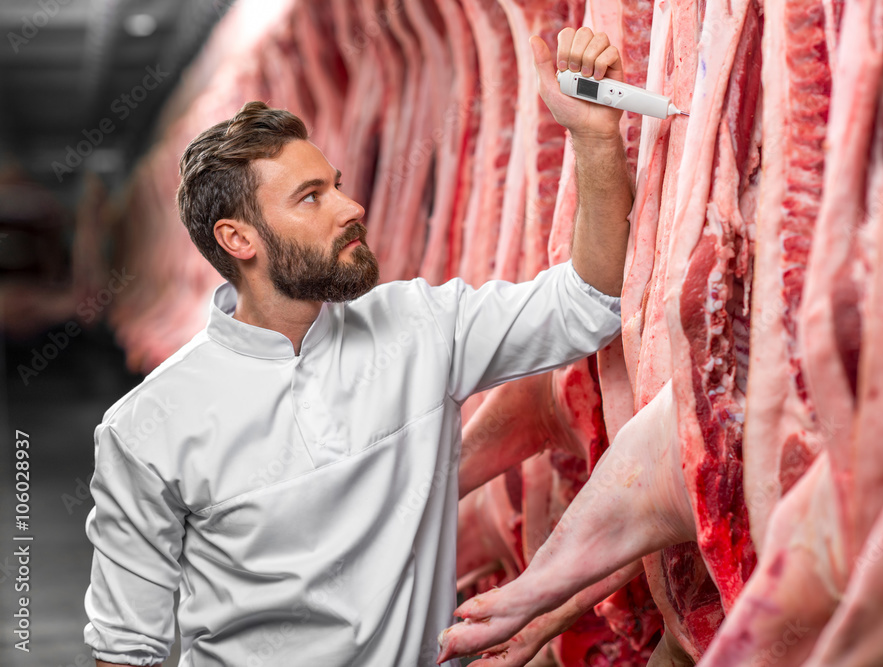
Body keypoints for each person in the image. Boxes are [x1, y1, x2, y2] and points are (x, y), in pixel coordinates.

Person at [83, 27, 633, 666]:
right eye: (312, 197)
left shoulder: (419, 326)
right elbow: (127, 652)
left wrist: (594, 138)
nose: (352, 206)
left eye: (336, 184)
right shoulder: (147, 426)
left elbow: (589, 303)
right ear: (239, 240)